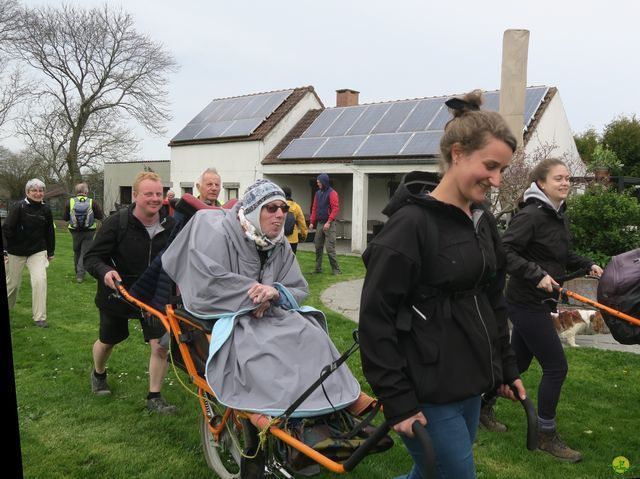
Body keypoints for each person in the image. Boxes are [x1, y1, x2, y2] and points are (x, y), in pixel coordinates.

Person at [358, 90, 526, 479]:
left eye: (502, 170)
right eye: (490, 166)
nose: (497, 180)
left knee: (430, 475)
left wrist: (506, 367)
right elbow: (375, 319)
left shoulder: (481, 222)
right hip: (425, 389)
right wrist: (397, 399)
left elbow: (493, 300)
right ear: (457, 153)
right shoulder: (410, 226)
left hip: (468, 384)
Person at [162, 179, 363, 418]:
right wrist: (256, 295)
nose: (280, 215)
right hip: (231, 318)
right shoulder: (216, 232)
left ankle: (329, 397)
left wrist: (275, 292)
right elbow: (207, 281)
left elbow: (297, 286)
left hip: (269, 314)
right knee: (263, 352)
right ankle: (278, 407)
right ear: (255, 210)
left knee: (312, 334)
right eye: (271, 208)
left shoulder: (279, 245)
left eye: (284, 208)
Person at [491, 158, 603, 462]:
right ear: (541, 183)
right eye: (558, 178)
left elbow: (561, 255)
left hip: (542, 302)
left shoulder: (557, 215)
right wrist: (536, 274)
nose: (565, 183)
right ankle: (545, 434)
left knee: (518, 365)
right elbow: (504, 251)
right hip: (525, 302)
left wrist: (586, 264)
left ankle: (480, 404)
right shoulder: (530, 215)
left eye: (567, 178)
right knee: (557, 367)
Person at [84, 171, 178, 414]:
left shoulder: (171, 223)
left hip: (154, 294)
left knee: (160, 346)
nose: (155, 198)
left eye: (159, 193)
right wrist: (105, 272)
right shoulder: (117, 223)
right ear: (135, 195)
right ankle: (98, 373)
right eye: (149, 194)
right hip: (118, 293)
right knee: (108, 341)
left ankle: (154, 397)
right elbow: (92, 258)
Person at [3, 178, 55, 328]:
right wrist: (5, 250)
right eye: (34, 190)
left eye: (41, 190)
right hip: (15, 251)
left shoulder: (46, 209)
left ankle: (40, 318)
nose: (38, 193)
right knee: (12, 285)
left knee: (40, 281)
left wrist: (50, 251)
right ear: (27, 192)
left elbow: (49, 232)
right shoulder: (18, 207)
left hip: (37, 251)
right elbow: (6, 229)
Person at [63, 181, 104, 283]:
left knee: (76, 251)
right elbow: (100, 216)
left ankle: (77, 272)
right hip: (89, 231)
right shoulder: (92, 202)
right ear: (86, 192)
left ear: (76, 191)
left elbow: (65, 218)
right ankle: (80, 276)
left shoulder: (70, 202)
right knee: (84, 253)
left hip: (74, 230)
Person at [309, 173, 341, 274]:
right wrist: (311, 222)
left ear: (324, 182)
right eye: (317, 182)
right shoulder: (317, 193)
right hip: (319, 223)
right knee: (318, 246)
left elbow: (335, 209)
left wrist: (329, 222)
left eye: (319, 182)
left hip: (329, 224)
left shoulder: (332, 193)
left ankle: (336, 270)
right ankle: (318, 269)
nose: (318, 184)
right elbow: (314, 208)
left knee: (330, 248)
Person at [282, 185, 308, 254]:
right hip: (293, 239)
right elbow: (302, 223)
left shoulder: (279, 205)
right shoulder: (297, 207)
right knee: (291, 261)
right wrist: (304, 235)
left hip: (280, 238)